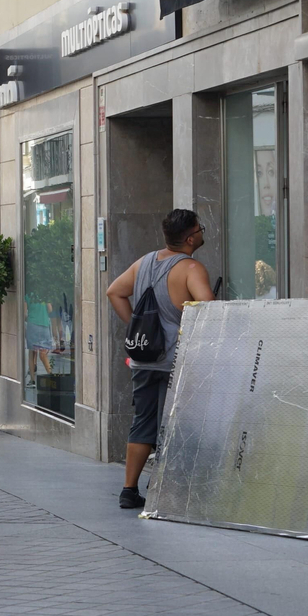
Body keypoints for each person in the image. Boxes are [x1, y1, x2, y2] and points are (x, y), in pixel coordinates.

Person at [105, 208, 215, 510]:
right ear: (191, 237)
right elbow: (208, 310)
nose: (202, 233)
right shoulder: (191, 268)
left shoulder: (144, 263)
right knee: (176, 422)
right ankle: (162, 485)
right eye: (200, 228)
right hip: (177, 361)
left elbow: (114, 291)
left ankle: (129, 489)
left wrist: (136, 327)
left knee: (143, 421)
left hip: (144, 359)